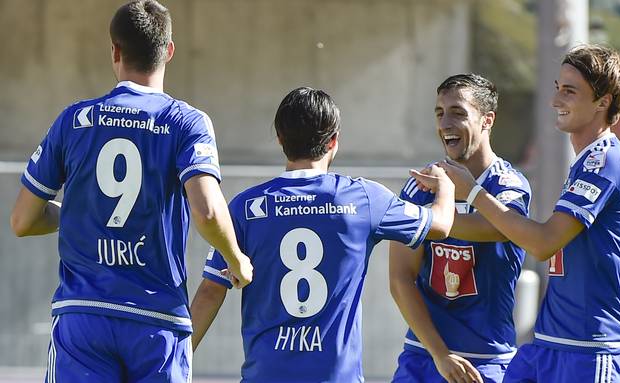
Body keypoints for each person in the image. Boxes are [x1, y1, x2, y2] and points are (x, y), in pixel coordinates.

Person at [9, 1, 252, 381]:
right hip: (157, 322)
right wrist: (235, 259)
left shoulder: (74, 120)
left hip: (83, 317)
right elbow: (206, 212)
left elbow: (23, 220)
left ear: (115, 51)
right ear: (168, 51)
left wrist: (75, 212)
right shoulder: (186, 122)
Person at [189, 87, 456, 382]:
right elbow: (442, 225)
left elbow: (211, 291)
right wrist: (446, 185)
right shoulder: (363, 199)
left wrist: (180, 360)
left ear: (279, 139)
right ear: (333, 141)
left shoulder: (246, 208)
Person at [439, 45, 620, 382]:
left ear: (603, 101)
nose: (555, 100)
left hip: (591, 349)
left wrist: (472, 192)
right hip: (548, 344)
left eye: (569, 91)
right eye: (557, 88)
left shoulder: (606, 160)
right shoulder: (591, 160)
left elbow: (544, 242)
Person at [389, 74, 532, 383]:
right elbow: (400, 277)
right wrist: (440, 355)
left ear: (487, 120)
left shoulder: (508, 185)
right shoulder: (420, 187)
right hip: (424, 356)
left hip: (486, 361)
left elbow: (498, 228)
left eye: (458, 112)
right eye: (440, 113)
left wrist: (428, 221)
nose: (445, 123)